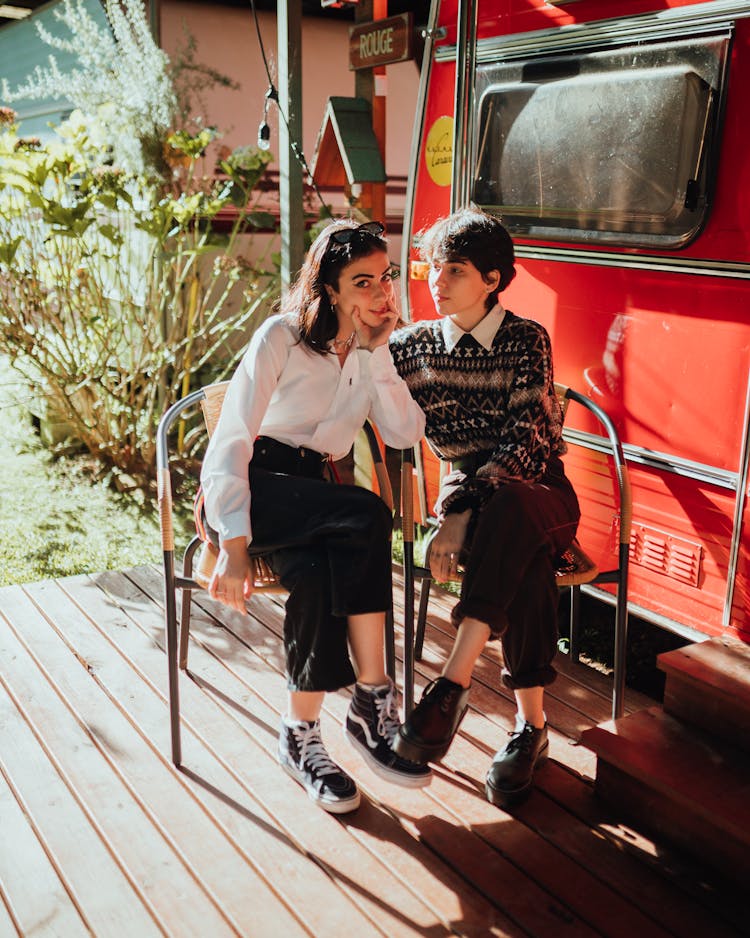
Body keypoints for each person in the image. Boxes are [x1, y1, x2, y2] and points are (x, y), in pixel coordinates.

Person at [200, 219, 431, 814]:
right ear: (329, 288)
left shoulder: (372, 352)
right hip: (252, 491)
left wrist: (379, 354)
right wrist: (233, 541)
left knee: (316, 570)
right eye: (362, 282)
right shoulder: (282, 336)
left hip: (316, 505)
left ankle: (299, 733)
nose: (381, 293)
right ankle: (373, 695)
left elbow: (406, 432)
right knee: (368, 512)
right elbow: (231, 440)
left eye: (387, 277)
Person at [389, 208, 580, 807]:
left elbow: (527, 438)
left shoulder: (527, 340)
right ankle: (532, 729)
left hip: (541, 490)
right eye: (432, 269)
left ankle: (451, 681)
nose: (436, 282)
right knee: (523, 561)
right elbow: (344, 372)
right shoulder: (411, 347)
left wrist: (460, 511)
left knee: (513, 513)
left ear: (493, 279)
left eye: (455, 271)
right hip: (480, 501)